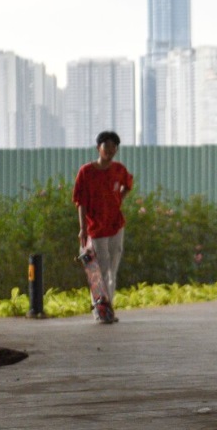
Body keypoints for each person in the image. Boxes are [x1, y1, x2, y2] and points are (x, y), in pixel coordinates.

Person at [72, 130, 133, 320]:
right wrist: (82, 228)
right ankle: (100, 310)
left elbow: (128, 185)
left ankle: (108, 309)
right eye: (106, 146)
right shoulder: (86, 172)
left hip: (116, 225)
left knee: (112, 271)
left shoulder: (119, 170)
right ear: (98, 148)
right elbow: (80, 202)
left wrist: (118, 199)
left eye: (114, 146)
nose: (110, 149)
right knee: (99, 271)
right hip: (96, 228)